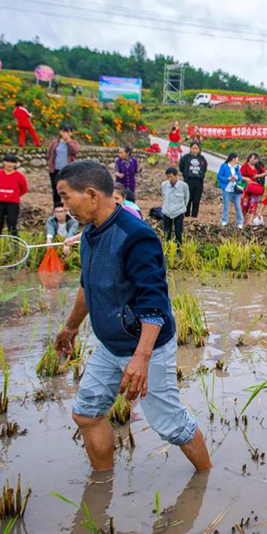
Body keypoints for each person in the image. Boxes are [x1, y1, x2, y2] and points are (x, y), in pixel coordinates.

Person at [53, 161, 211, 476]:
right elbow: (88, 286)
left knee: (171, 425)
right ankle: (101, 487)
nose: (64, 206)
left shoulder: (135, 235)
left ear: (91, 194)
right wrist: (71, 327)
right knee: (86, 413)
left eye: (66, 197)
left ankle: (207, 479)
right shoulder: (89, 235)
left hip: (145, 347)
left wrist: (141, 357)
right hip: (110, 346)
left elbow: (154, 302)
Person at [0, 154, 28, 236]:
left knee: (12, 224)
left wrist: (15, 195)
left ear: (15, 164)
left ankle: (15, 243)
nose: (9, 164)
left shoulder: (19, 176)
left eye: (12, 162)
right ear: (3, 162)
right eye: (7, 161)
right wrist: (1, 194)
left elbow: (24, 189)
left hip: (13, 203)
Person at [47, 125, 80, 208]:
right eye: (64, 131)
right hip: (55, 170)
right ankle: (57, 208)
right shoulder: (55, 143)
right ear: (60, 132)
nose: (65, 133)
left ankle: (68, 208)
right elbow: (49, 153)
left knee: (68, 189)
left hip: (68, 171)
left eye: (68, 132)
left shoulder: (73, 143)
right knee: (56, 190)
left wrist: (68, 141)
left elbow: (75, 151)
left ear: (71, 133)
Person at [161, 167, 190, 244]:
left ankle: (178, 250)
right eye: (168, 177)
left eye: (171, 177)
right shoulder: (164, 185)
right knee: (166, 232)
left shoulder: (184, 186)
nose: (169, 179)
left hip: (178, 212)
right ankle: (166, 248)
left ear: (176, 175)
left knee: (178, 232)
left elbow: (186, 199)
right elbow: (163, 197)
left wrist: (182, 208)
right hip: (167, 212)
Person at [179, 143, 208, 218]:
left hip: (199, 181)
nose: (195, 150)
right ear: (190, 148)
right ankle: (186, 215)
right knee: (188, 199)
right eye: (193, 148)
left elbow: (204, 168)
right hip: (189, 181)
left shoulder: (202, 159)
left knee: (196, 200)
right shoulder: (185, 158)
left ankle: (194, 217)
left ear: (199, 150)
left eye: (196, 148)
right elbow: (181, 167)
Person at [217, 153, 243, 228]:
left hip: (235, 189)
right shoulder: (224, 166)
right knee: (226, 205)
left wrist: (236, 177)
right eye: (237, 158)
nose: (238, 160)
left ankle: (240, 222)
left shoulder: (237, 167)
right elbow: (219, 176)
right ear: (233, 159)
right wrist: (227, 179)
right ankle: (224, 220)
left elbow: (240, 177)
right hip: (227, 189)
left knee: (238, 206)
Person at [240, 153, 266, 218]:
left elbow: (265, 173)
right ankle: (243, 220)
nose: (255, 160)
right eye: (254, 158)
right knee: (244, 204)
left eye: (256, 159)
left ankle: (250, 221)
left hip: (254, 188)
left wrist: (258, 176)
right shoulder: (245, 166)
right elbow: (239, 176)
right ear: (249, 158)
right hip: (246, 188)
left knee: (253, 204)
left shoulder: (258, 166)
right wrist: (246, 179)